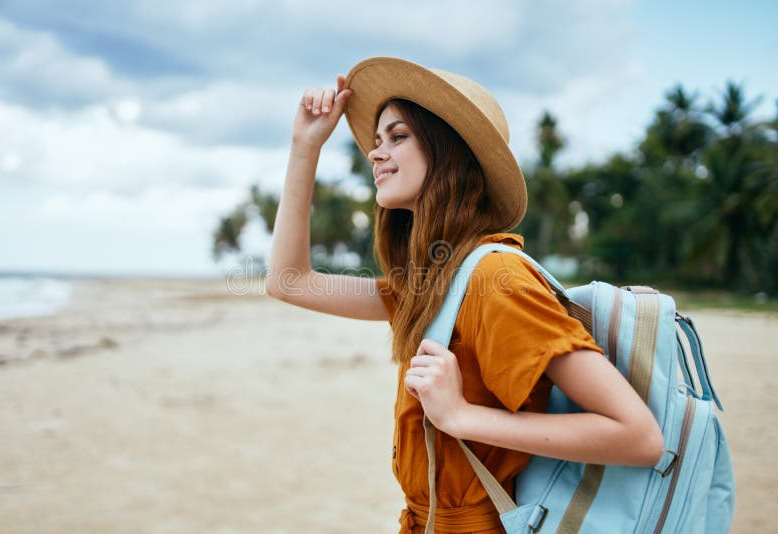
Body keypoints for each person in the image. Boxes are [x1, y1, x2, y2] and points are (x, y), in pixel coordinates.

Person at [265, 57, 663, 534]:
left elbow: (638, 436)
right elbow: (288, 281)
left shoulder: (496, 278)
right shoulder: (433, 283)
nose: (375, 153)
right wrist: (304, 145)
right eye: (375, 141)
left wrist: (461, 416)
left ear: (446, 150)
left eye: (397, 136)